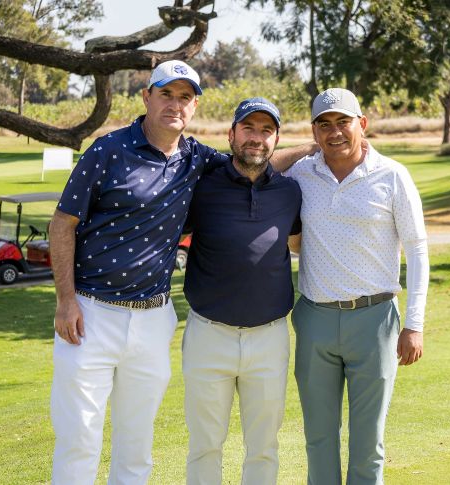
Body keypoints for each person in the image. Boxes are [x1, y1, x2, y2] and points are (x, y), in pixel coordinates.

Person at [48, 60, 314, 485]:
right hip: (92, 312)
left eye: (184, 97)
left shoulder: (196, 158)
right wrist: (65, 300)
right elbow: (63, 223)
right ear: (146, 97)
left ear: (194, 106)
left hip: (154, 318)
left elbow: (254, 161)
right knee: (80, 438)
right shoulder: (108, 149)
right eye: (166, 94)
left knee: (136, 445)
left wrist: (318, 146)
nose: (175, 104)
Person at [284, 88, 430, 484]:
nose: (335, 132)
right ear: (313, 131)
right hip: (314, 319)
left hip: (375, 321)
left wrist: (414, 324)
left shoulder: (392, 175)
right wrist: (307, 149)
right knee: (318, 439)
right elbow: (259, 167)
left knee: (368, 443)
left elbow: (417, 250)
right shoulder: (301, 174)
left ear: (362, 124)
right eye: (324, 125)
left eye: (343, 122)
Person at [181, 98, 301, 485]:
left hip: (269, 339)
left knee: (264, 446)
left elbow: (299, 243)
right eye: (248, 128)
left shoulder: (289, 192)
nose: (257, 138)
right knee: (204, 445)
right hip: (208, 335)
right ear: (231, 134)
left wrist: (315, 147)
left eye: (267, 131)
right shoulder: (201, 187)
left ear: (276, 140)